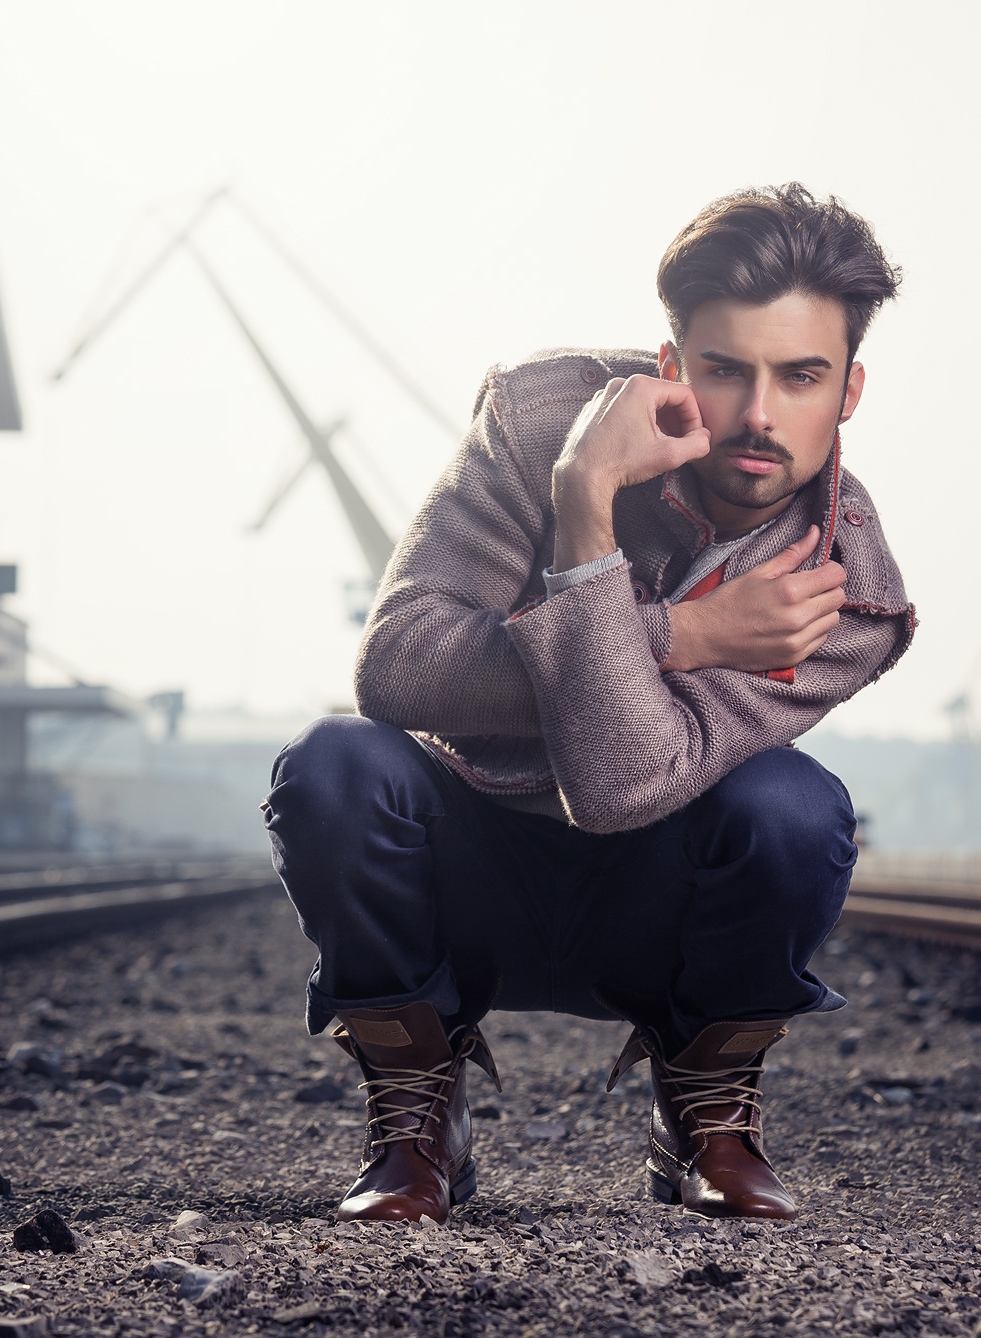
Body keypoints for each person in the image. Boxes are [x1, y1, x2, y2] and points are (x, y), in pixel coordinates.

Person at [264, 185, 913, 1223]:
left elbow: (621, 787)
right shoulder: (540, 428)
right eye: (725, 370)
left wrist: (595, 614)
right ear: (672, 368)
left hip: (653, 904)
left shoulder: (847, 596)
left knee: (795, 811)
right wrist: (620, 555)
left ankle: (703, 1111)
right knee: (336, 768)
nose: (758, 415)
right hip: (462, 875)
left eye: (800, 377)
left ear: (849, 391)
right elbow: (394, 669)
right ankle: (419, 1119)